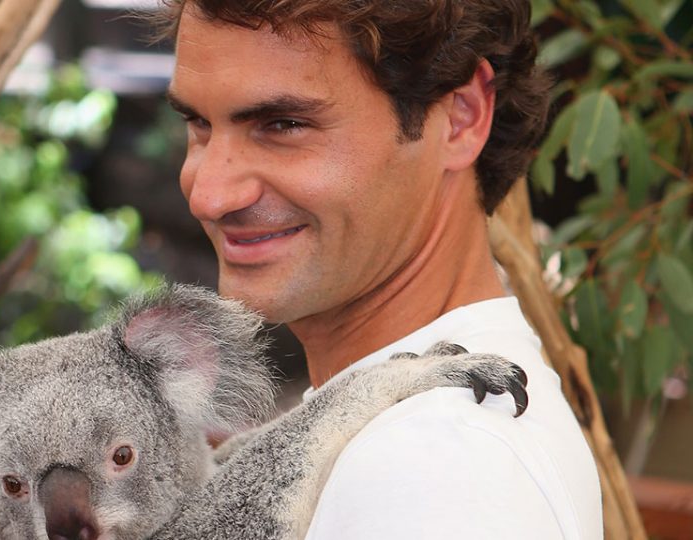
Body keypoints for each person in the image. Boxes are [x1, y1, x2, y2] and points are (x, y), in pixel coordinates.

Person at [153, 0, 603, 538]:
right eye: (198, 123)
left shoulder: (438, 461)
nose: (208, 195)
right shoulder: (393, 434)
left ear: (461, 117)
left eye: (285, 125)